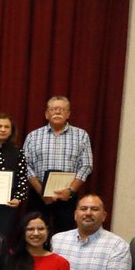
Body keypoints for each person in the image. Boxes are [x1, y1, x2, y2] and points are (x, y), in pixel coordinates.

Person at [23, 96, 93, 233]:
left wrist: (71, 191)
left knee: (66, 234)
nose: (57, 112)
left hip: (67, 196)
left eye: (62, 109)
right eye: (53, 109)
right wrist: (41, 191)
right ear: (47, 114)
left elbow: (86, 165)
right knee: (35, 233)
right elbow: (25, 165)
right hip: (38, 196)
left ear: (68, 114)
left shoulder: (81, 135)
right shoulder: (33, 136)